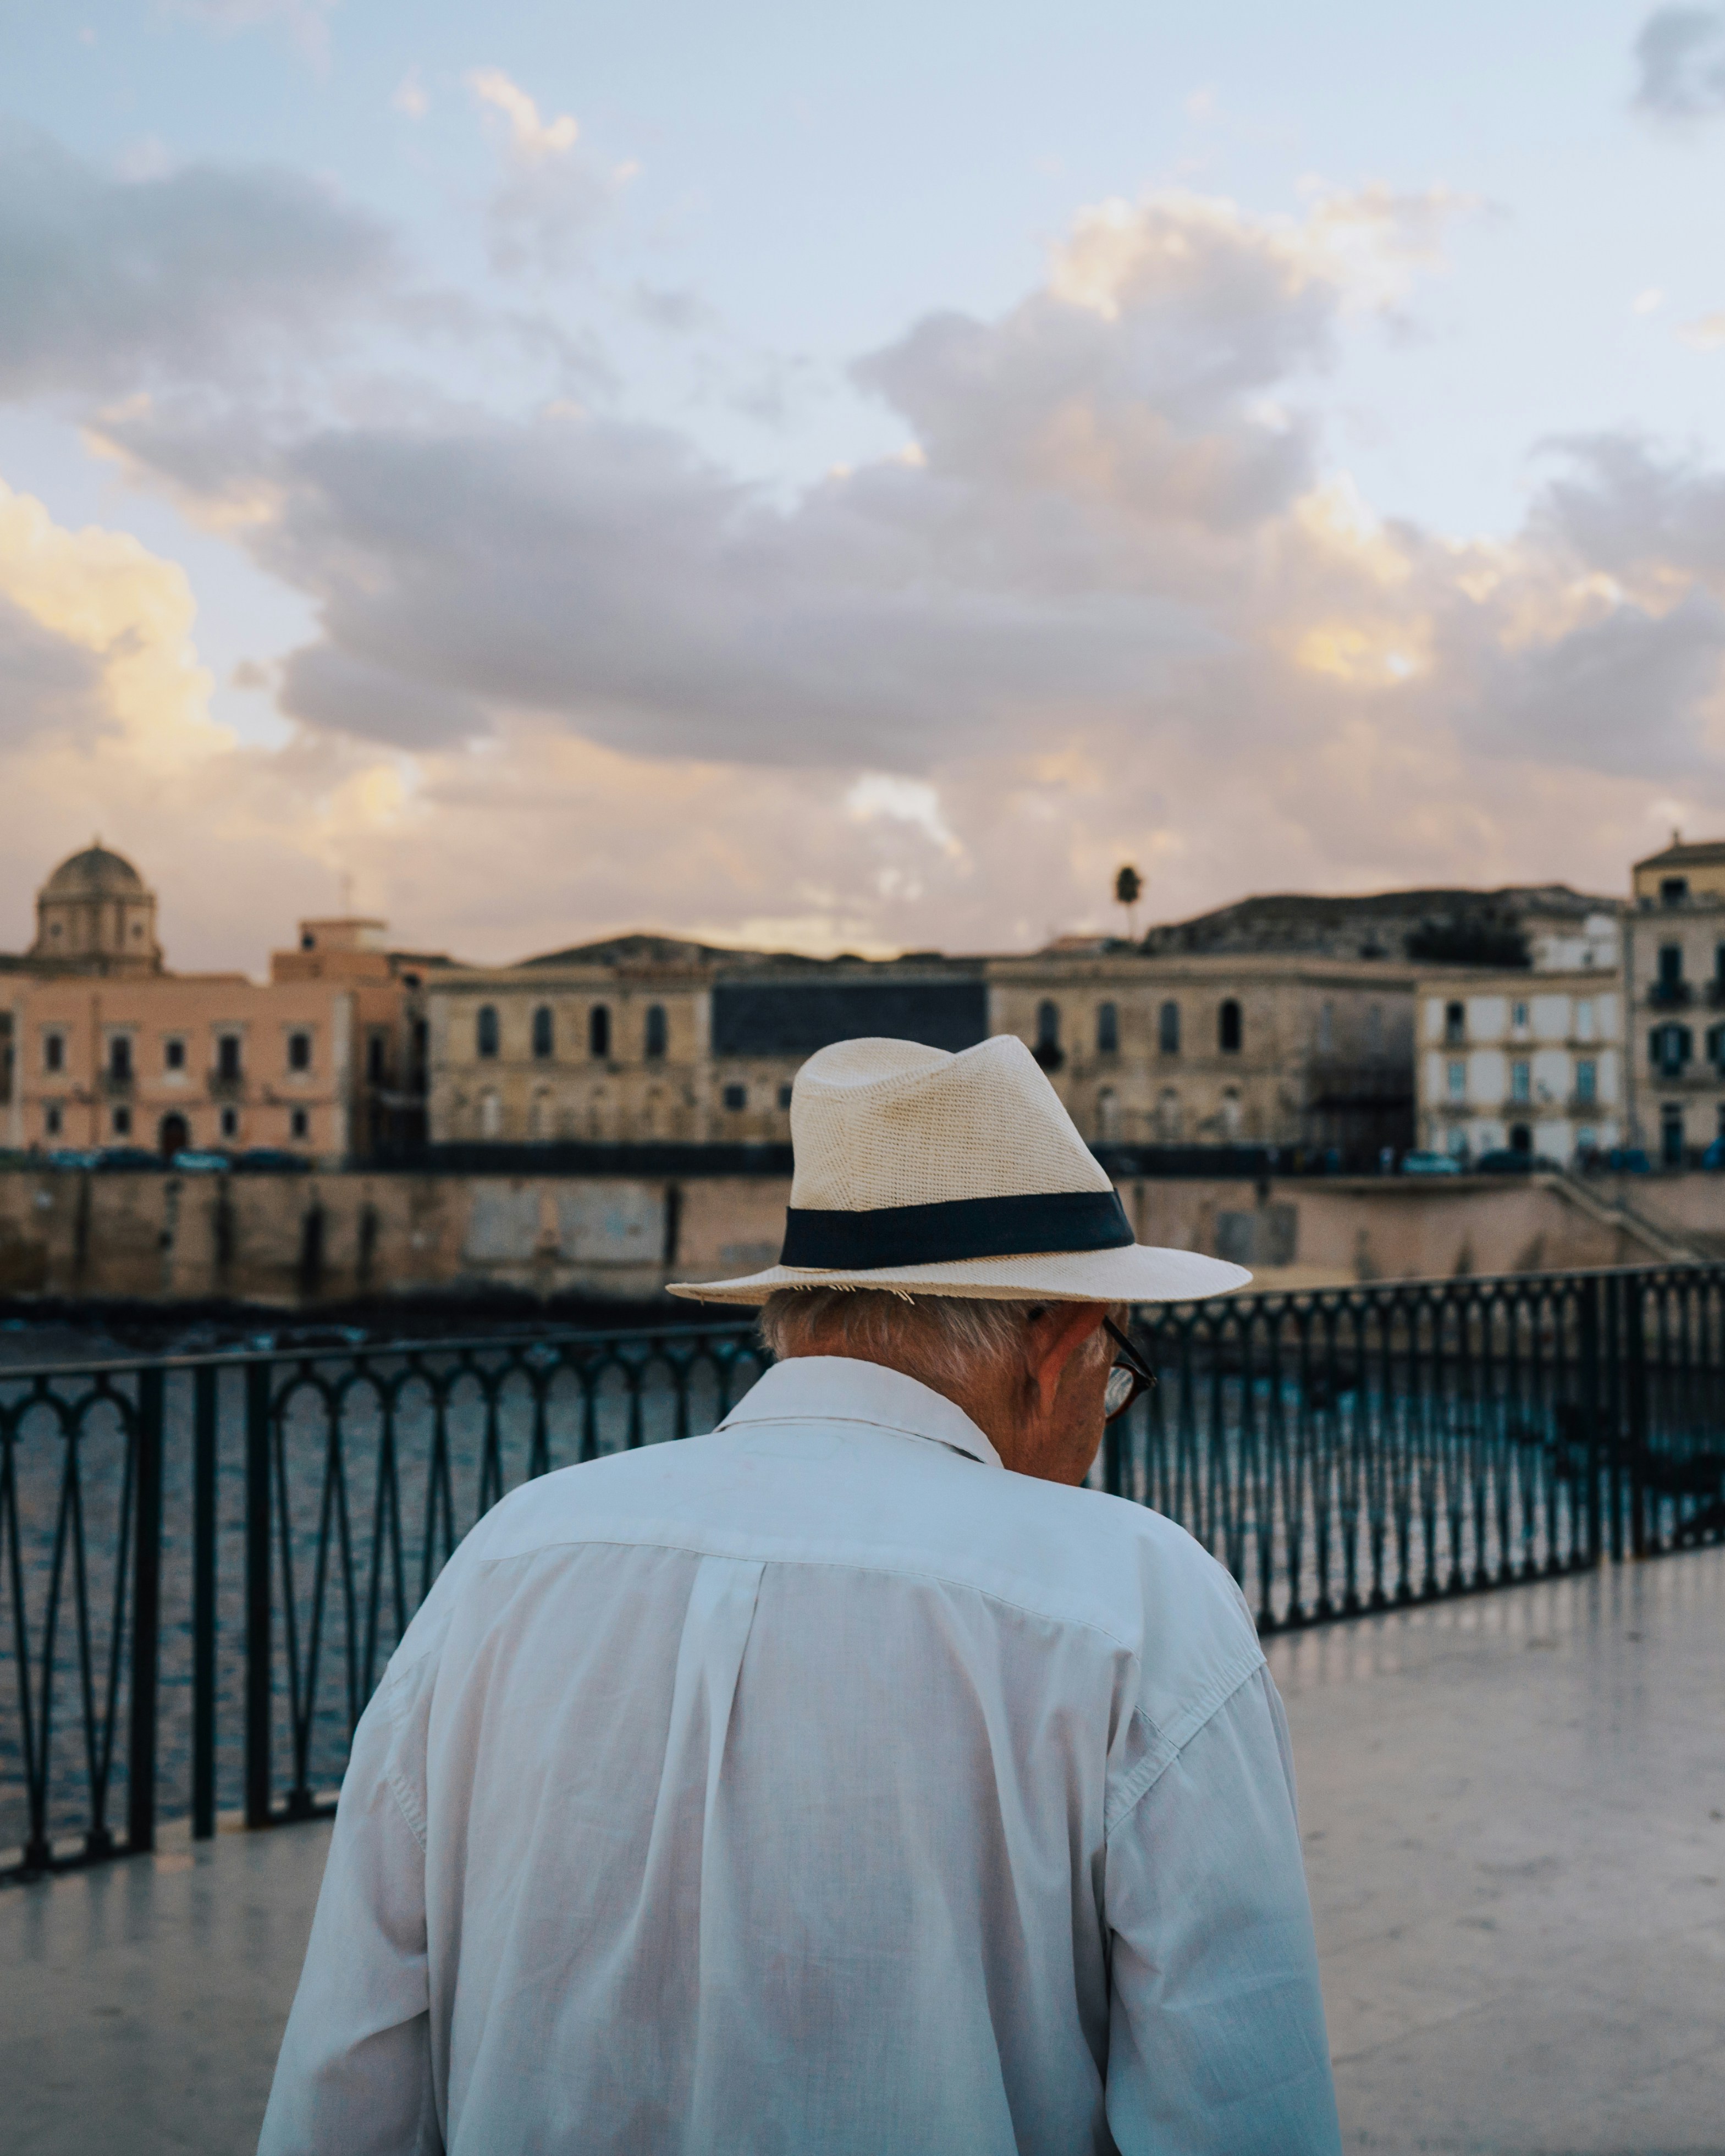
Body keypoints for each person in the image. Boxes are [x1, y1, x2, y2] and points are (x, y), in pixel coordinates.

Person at [260, 1035, 1341, 2155]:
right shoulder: (1136, 1606)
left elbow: (351, 2074)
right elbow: (1241, 2106)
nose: (1103, 1415)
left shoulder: (507, 1557)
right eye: (1116, 1369)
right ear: (1057, 1338)